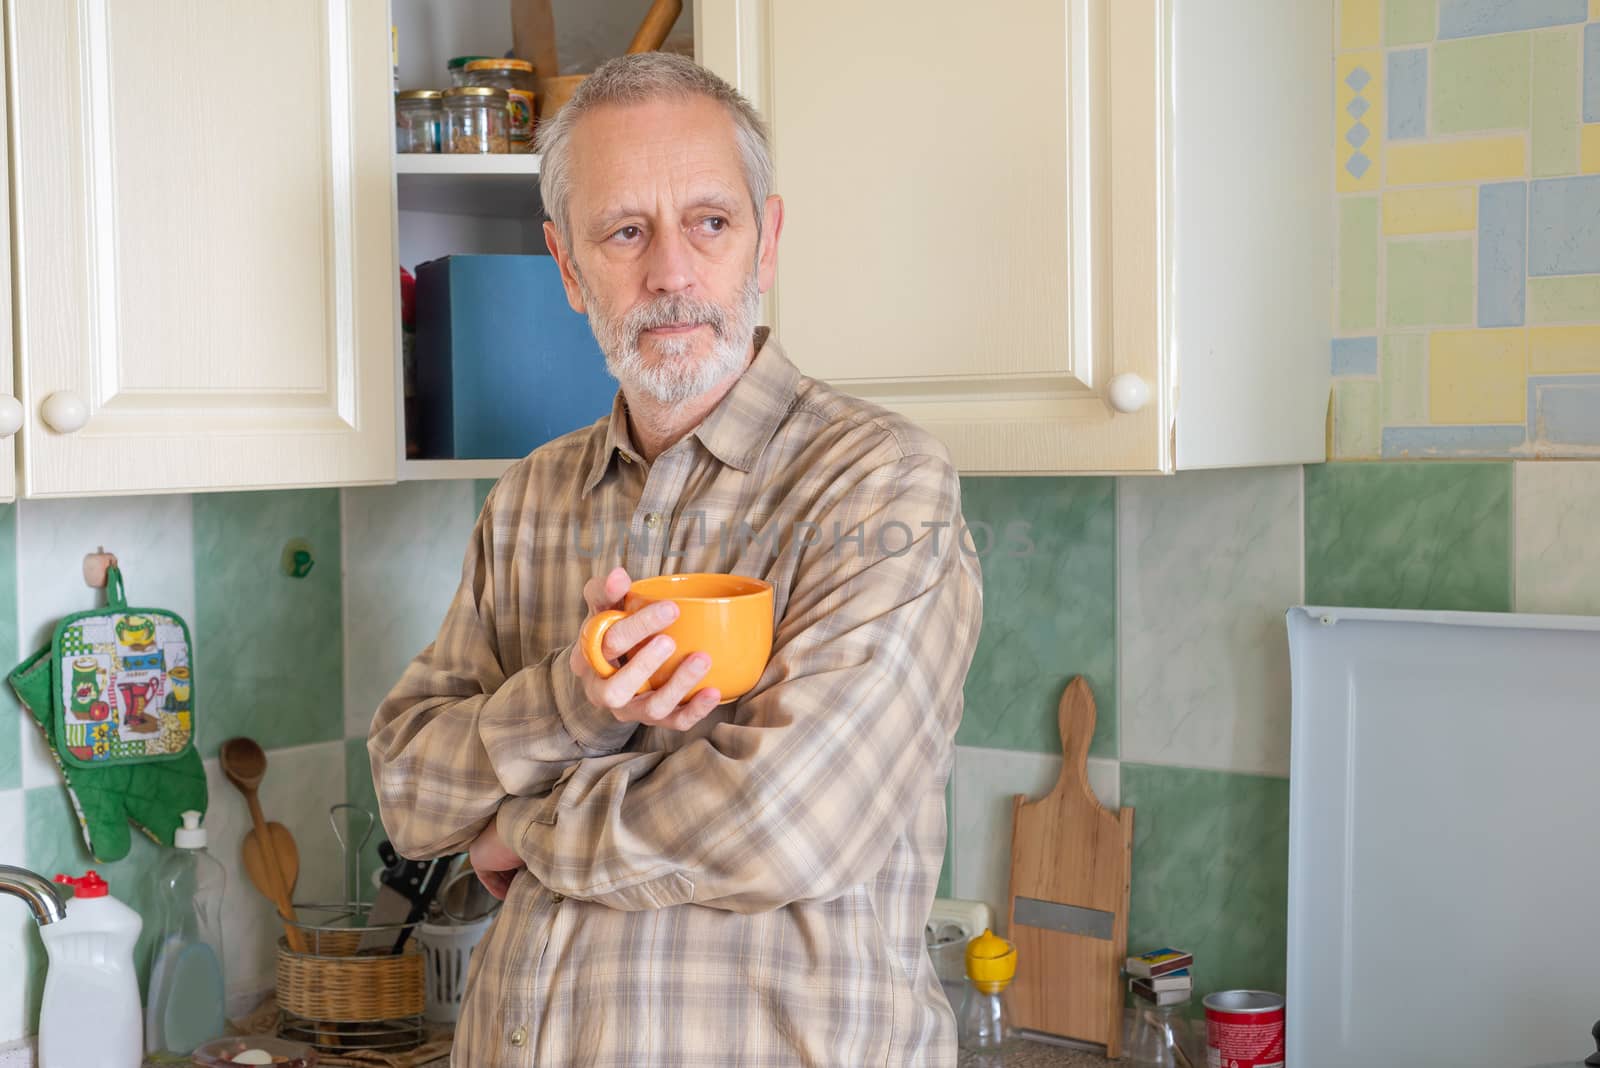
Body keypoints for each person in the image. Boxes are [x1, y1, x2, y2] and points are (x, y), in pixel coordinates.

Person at [368, 52, 982, 1066]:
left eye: (710, 222)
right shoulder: (529, 498)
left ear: (765, 241)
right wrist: (572, 699)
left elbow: (786, 822)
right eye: (624, 232)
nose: (672, 274)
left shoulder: (878, 485)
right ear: (567, 267)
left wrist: (523, 832)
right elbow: (407, 791)